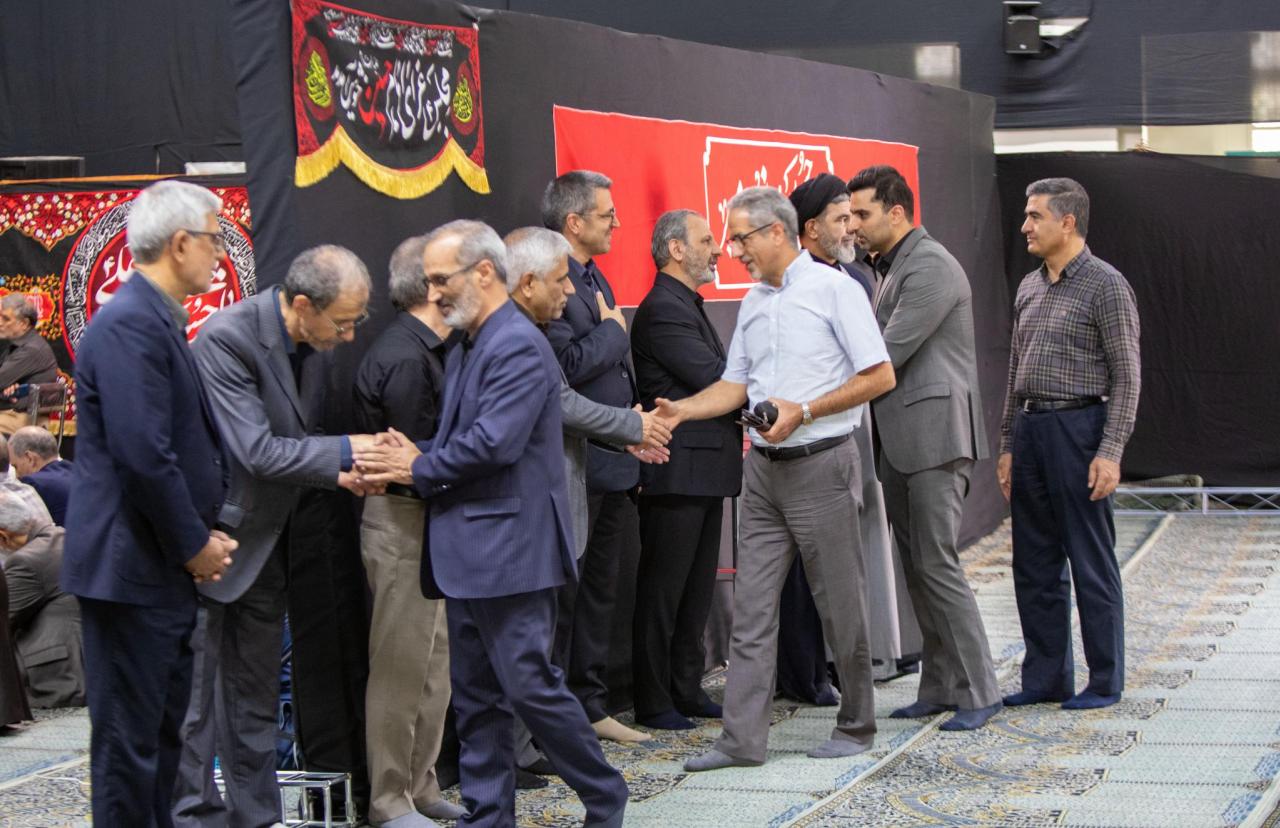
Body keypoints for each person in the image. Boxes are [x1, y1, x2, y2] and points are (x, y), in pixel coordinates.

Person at [355, 220, 628, 828]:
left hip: (511, 550)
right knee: (478, 697)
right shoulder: (472, 341)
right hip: (468, 550)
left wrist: (416, 464)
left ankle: (605, 794)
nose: (432, 292)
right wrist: (410, 456)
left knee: (530, 686)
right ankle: (488, 816)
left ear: (484, 272)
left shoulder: (517, 343)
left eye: (440, 279)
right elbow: (466, 440)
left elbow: (493, 445)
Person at [657, 186, 896, 772]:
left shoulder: (837, 290)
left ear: (775, 233)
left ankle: (856, 725)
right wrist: (681, 411)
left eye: (740, 237)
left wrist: (805, 411)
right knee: (752, 611)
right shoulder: (754, 302)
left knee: (841, 608)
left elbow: (880, 376)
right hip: (762, 473)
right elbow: (735, 385)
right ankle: (740, 741)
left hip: (823, 464)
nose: (733, 250)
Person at [175, 245, 375, 828]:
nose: (349, 336)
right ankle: (192, 818)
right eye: (343, 322)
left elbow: (297, 442)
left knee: (255, 701)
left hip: (268, 544)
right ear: (303, 305)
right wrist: (348, 451)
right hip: (214, 543)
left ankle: (256, 817)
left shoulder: (312, 343)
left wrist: (343, 473)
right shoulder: (228, 338)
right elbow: (257, 451)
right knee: (194, 710)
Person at [60, 179, 235, 825]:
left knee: (160, 740)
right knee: (129, 749)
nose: (220, 254)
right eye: (214, 239)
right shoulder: (131, 322)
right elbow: (143, 454)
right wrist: (194, 545)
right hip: (131, 568)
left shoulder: (154, 317)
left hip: (151, 568)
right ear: (181, 243)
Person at [504, 225, 671, 774]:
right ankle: (521, 749)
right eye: (560, 281)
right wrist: (632, 423)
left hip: (576, 478)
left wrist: (627, 434)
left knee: (564, 618)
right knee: (533, 632)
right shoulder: (517, 333)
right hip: (531, 503)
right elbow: (563, 400)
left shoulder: (529, 323)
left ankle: (545, 736)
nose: (570, 291)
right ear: (528, 282)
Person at [847, 164, 1002, 730]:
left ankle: (981, 691)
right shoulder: (892, 267)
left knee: (937, 565)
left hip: (935, 441)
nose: (853, 225)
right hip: (904, 443)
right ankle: (939, 686)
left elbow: (883, 356)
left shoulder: (930, 264)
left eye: (862, 214)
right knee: (919, 568)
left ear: (897, 213)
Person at [998, 177, 1140, 711]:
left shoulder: (1107, 285)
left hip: (1080, 430)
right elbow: (1015, 370)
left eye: (1035, 216)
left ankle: (1104, 681)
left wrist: (1111, 451)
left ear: (1068, 221)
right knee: (1033, 563)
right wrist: (1008, 442)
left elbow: (1127, 376)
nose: (1025, 226)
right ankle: (1046, 679)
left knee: (1090, 561)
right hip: (1031, 431)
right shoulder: (1029, 287)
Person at [353, 236, 466, 827]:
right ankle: (388, 798)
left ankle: (421, 784)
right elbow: (411, 458)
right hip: (401, 520)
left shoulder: (437, 349)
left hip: (432, 520)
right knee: (401, 667)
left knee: (434, 664)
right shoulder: (402, 356)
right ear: (431, 285)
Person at [779, 175, 903, 701]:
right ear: (811, 228)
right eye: (841, 218)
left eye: (853, 216)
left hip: (848, 428)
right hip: (803, 435)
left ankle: (840, 667)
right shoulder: (785, 283)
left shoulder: (854, 278)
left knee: (842, 558)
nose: (852, 226)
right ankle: (805, 672)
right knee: (801, 562)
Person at [542, 170, 650, 743]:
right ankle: (558, 715)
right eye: (607, 215)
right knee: (568, 595)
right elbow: (565, 369)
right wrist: (614, 333)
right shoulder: (552, 281)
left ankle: (590, 704)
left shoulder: (591, 273)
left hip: (614, 458)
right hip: (577, 463)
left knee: (601, 592)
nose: (617, 223)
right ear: (574, 221)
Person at [628, 210, 740, 730]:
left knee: (695, 593)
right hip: (675, 471)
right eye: (706, 239)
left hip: (702, 470)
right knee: (664, 591)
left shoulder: (683, 303)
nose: (717, 249)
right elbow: (714, 377)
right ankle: (654, 700)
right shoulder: (662, 310)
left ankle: (686, 688)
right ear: (676, 249)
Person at [0, 490, 84, 707]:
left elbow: (4, 617)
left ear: (3, 536)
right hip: (84, 662)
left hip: (55, 675)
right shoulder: (60, 535)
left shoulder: (25, 561)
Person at [0, 294, 59, 435]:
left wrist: (4, 391)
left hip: (24, 420)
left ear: (24, 323)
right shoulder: (18, 345)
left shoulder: (31, 349)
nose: (0, 322)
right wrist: (5, 391)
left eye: (6, 318)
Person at [9, 426, 74, 525]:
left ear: (30, 458)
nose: (16, 475)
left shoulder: (33, 483)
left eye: (15, 466)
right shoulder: (76, 471)